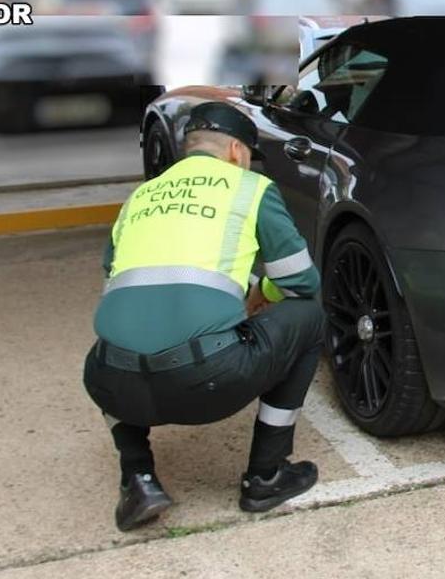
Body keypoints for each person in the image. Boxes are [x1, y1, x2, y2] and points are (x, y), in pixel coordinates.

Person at [83, 102, 325, 531]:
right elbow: (302, 283)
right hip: (209, 382)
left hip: (114, 386)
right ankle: (266, 475)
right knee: (310, 317)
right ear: (236, 150)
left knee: (111, 348)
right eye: (249, 155)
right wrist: (259, 294)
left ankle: (137, 477)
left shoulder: (140, 196)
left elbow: (116, 281)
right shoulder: (249, 188)